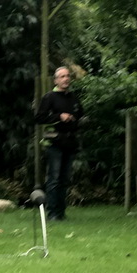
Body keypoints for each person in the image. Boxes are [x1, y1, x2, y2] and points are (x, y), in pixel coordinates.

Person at [35, 66, 84, 222]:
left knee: (64, 180)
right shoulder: (49, 97)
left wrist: (76, 119)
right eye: (62, 76)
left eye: (68, 76)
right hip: (54, 142)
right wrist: (59, 116)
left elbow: (81, 115)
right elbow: (39, 118)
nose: (66, 79)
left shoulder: (74, 98)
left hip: (70, 143)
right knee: (54, 179)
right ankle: (52, 213)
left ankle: (61, 212)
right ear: (56, 80)